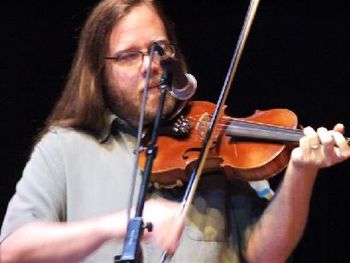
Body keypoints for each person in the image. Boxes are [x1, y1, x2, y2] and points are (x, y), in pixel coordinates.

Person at [1, 0, 349, 262]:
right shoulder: (65, 148)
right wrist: (122, 225)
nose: (151, 66)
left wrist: (301, 171)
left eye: (159, 50)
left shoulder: (215, 143)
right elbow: (13, 249)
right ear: (99, 71)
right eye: (128, 56)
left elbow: (264, 254)